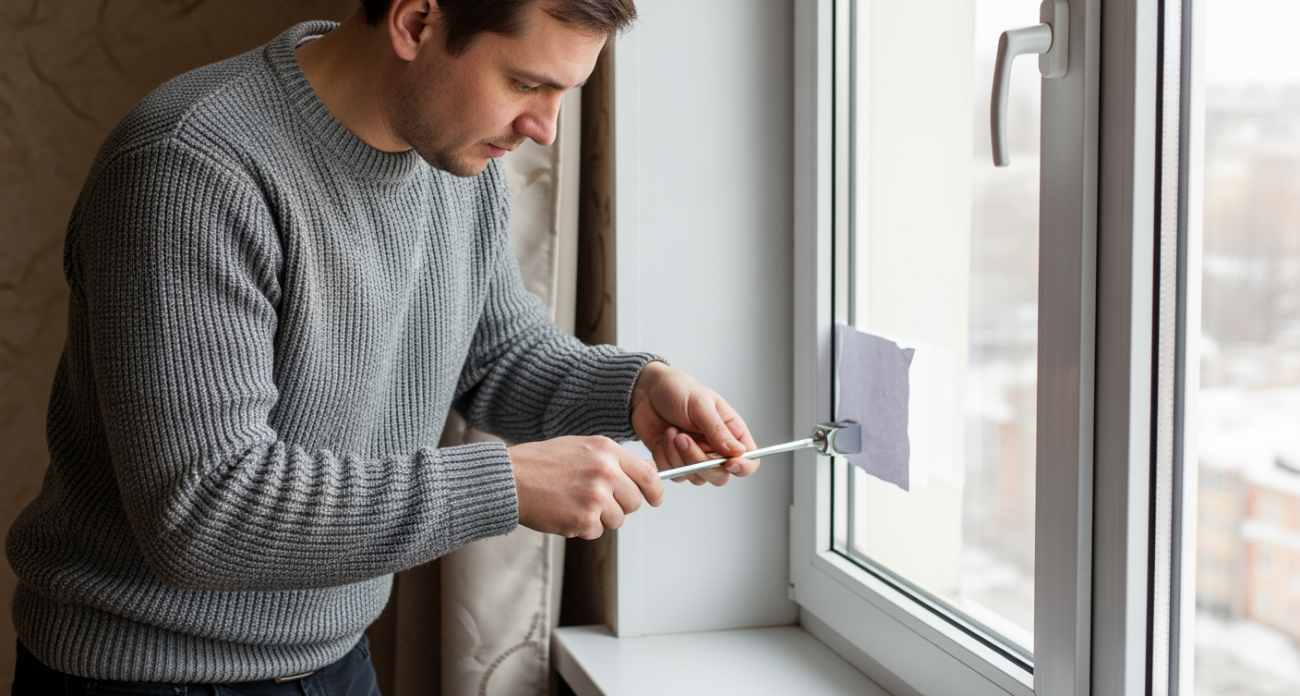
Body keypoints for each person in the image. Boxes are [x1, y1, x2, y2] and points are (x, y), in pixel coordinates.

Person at [4, 0, 760, 693]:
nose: (545, 128)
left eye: (565, 92)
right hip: (141, 676)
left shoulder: (458, 159)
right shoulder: (191, 166)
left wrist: (635, 389)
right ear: (416, 21)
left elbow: (495, 354)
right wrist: (505, 485)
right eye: (526, 82)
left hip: (333, 661)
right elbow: (204, 513)